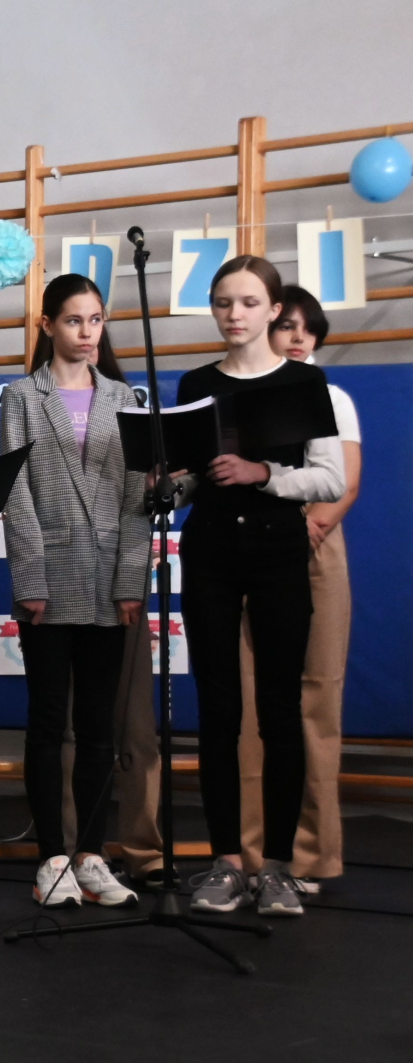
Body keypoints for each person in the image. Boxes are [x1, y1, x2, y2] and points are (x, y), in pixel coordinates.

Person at [175, 256, 343, 918]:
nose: (233, 314)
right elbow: (193, 477)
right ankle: (224, 861)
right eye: (222, 302)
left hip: (278, 550)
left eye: (247, 302)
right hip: (211, 552)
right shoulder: (196, 382)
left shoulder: (304, 380)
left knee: (279, 707)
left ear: (273, 310)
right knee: (218, 710)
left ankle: (276, 866)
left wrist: (264, 472)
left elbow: (329, 478)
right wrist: (168, 484)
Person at [0, 274, 147, 909]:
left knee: (97, 727)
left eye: (96, 320)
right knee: (45, 722)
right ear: (47, 325)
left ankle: (91, 853)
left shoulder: (124, 396)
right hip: (50, 576)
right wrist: (31, 578)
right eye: (73, 320)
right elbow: (15, 493)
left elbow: (138, 497)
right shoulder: (22, 397)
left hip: (110, 579)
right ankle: (51, 858)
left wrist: (129, 581)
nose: (87, 332)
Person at [235, 284, 361, 893]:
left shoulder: (330, 395)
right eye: (287, 324)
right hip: (250, 545)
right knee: (250, 705)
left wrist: (305, 528)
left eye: (308, 328)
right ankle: (250, 856)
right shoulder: (239, 388)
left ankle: (310, 856)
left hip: (313, 547)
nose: (298, 336)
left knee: (315, 700)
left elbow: (344, 483)